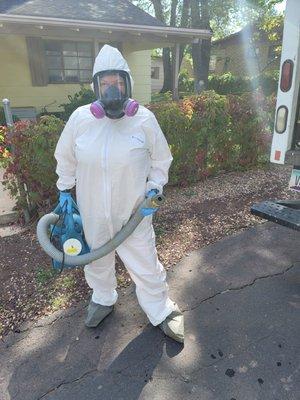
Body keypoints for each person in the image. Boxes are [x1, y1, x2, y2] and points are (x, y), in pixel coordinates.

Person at [54, 44, 184, 343]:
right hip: (93, 212)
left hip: (134, 213)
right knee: (97, 260)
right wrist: (64, 189)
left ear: (128, 83)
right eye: (105, 83)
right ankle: (103, 298)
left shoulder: (144, 120)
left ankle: (160, 309)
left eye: (118, 82)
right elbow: (65, 158)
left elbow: (161, 160)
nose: (112, 90)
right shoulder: (80, 119)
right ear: (96, 86)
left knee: (145, 263)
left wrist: (154, 189)